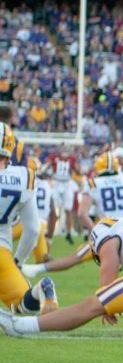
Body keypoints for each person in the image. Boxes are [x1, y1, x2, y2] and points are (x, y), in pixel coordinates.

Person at [0, 124, 57, 315]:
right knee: (22, 307)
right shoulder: (23, 177)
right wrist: (19, 260)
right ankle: (41, 288)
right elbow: (33, 230)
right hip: (2, 251)